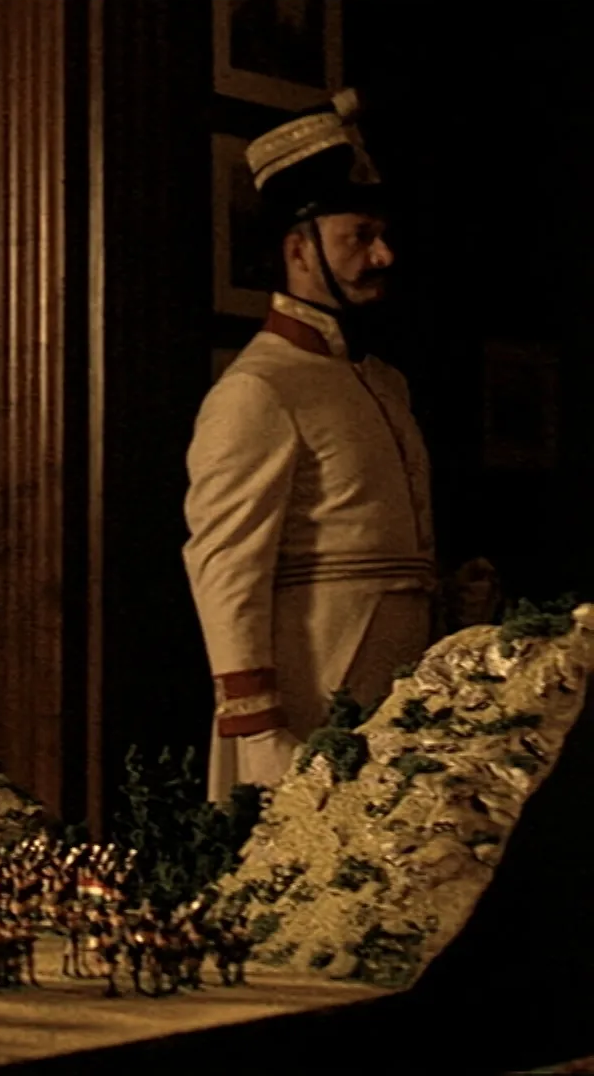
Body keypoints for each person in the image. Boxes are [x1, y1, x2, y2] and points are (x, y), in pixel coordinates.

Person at [184, 89, 435, 800]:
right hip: (311, 705)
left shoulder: (382, 383)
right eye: (360, 236)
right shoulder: (258, 390)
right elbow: (224, 566)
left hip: (400, 700)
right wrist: (258, 730)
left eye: (382, 233)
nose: (383, 253)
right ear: (299, 249)